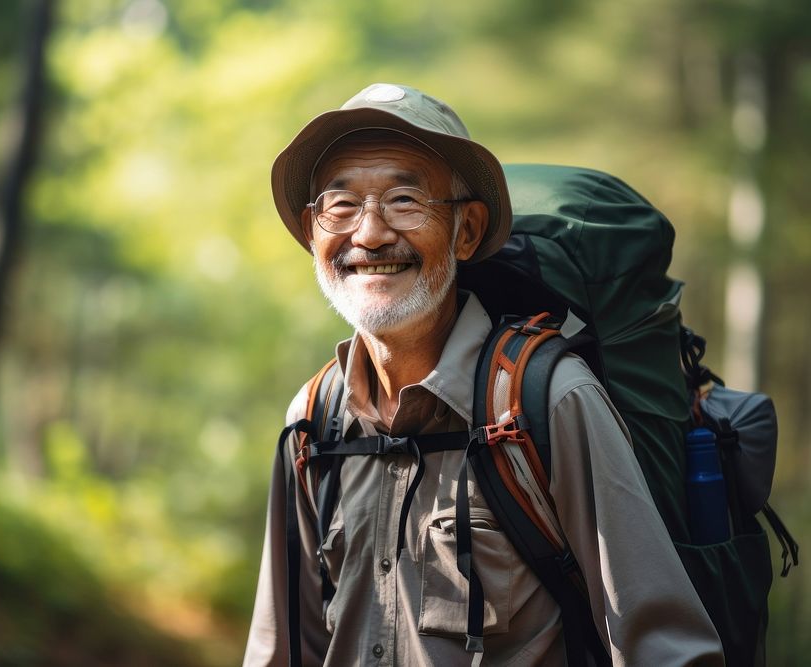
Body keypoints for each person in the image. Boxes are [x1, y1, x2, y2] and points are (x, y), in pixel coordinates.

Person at [243, 83, 724, 666]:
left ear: (466, 231)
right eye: (340, 206)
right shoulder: (313, 421)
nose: (368, 235)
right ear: (312, 231)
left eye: (404, 199)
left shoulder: (546, 402)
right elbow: (283, 651)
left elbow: (663, 650)